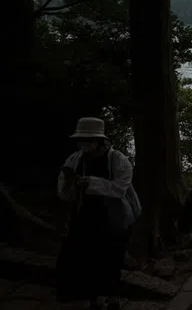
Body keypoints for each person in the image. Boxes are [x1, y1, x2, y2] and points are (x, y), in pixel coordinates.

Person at [56, 117, 141, 310]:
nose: (85, 144)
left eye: (89, 139)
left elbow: (120, 188)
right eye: (82, 140)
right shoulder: (75, 159)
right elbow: (64, 193)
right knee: (89, 259)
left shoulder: (117, 160)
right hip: (85, 217)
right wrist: (70, 183)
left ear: (99, 140)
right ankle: (94, 299)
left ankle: (112, 299)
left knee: (112, 259)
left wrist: (90, 183)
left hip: (114, 218)